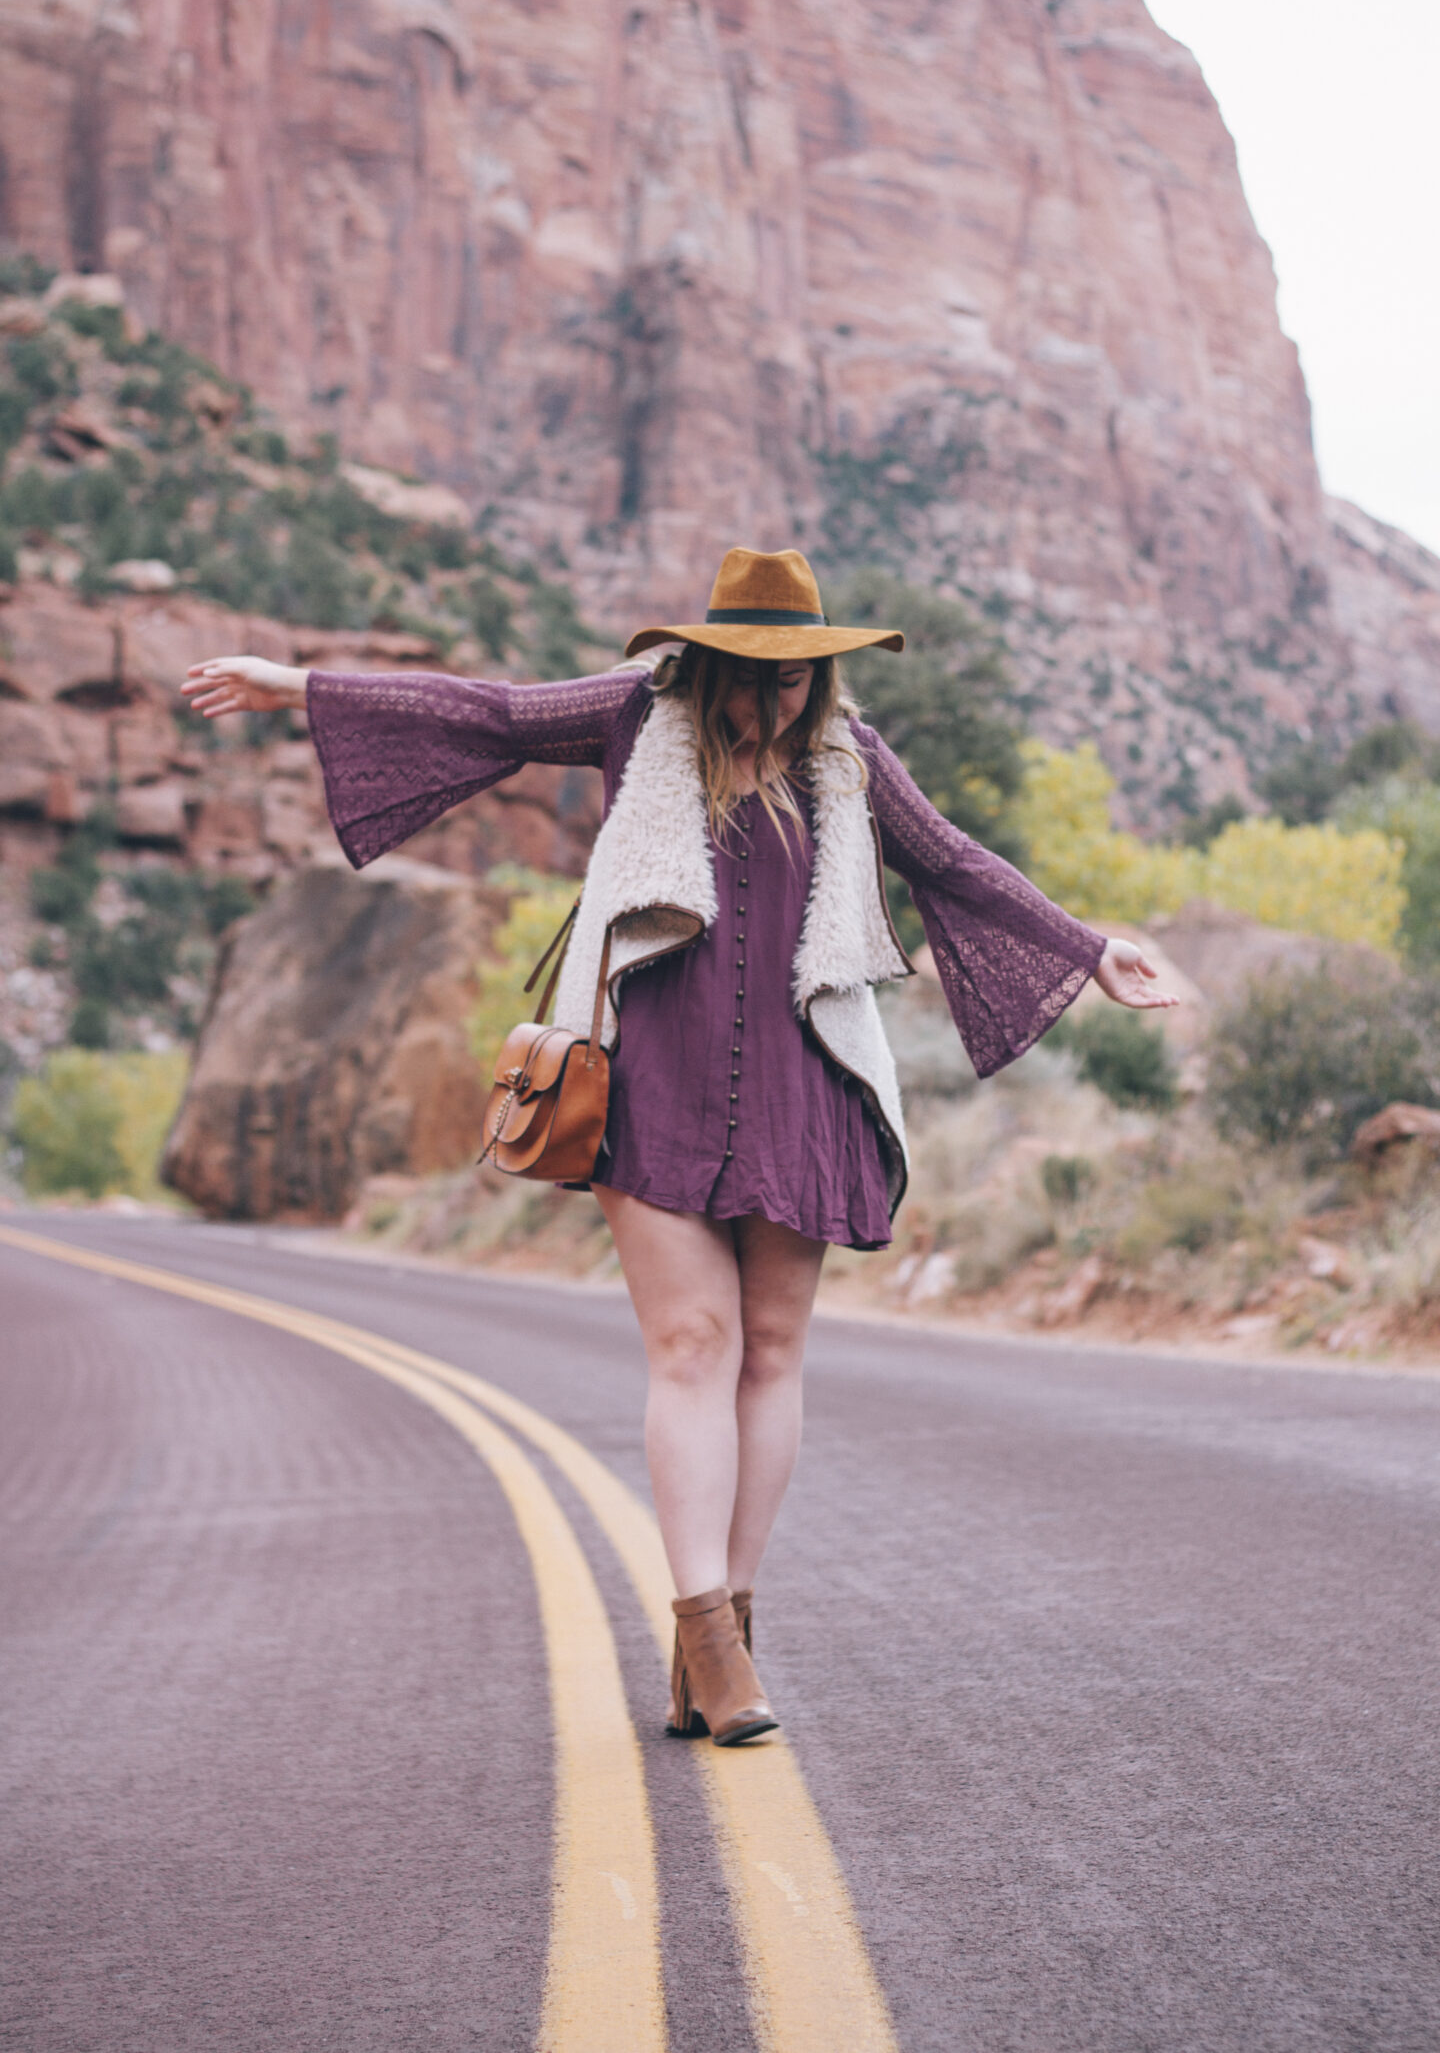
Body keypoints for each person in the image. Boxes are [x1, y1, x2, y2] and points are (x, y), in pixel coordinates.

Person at [182, 545, 1176, 1746]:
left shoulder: (851, 763)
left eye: (803, 675)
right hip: (649, 1076)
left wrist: (1086, 946)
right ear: (705, 662)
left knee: (769, 1349)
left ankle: (727, 1641)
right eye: (758, 675)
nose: (780, 698)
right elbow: (487, 711)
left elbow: (952, 860)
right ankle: (705, 1630)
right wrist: (293, 683)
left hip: (807, 1088)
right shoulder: (633, 715)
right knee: (692, 1343)